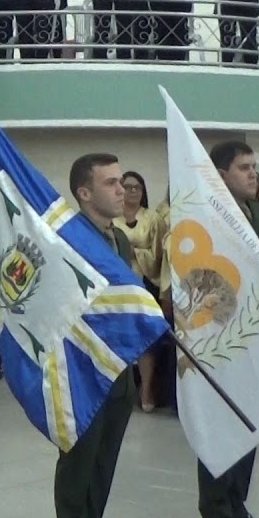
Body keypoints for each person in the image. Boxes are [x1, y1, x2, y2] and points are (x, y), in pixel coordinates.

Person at [53, 153, 139, 518]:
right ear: (84, 192)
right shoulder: (69, 239)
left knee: (103, 466)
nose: (121, 189)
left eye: (121, 181)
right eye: (110, 183)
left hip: (119, 371)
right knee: (78, 465)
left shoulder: (120, 240)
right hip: (83, 372)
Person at [195, 141, 259, 518]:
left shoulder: (256, 211)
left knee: (248, 420)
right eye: (244, 167)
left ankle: (237, 502)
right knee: (221, 420)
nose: (253, 174)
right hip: (220, 330)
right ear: (221, 173)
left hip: (253, 326)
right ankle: (215, 508)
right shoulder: (208, 213)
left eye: (254, 166)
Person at [115, 170, 159, 410]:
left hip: (144, 285)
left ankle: (147, 391)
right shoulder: (111, 217)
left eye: (137, 188)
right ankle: (120, 391)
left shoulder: (152, 219)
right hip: (115, 287)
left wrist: (135, 253)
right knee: (119, 339)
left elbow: (157, 255)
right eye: (127, 186)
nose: (132, 191)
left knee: (144, 341)